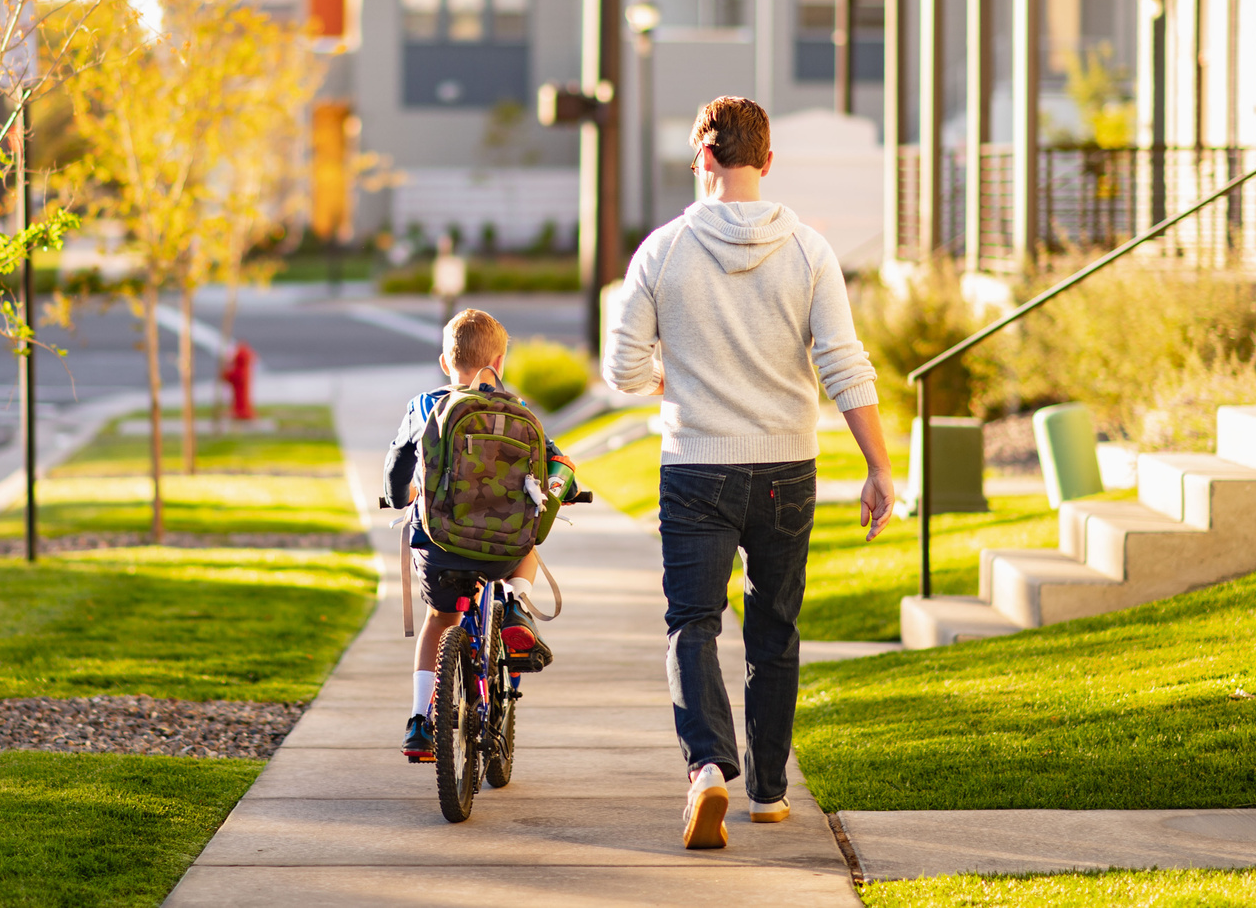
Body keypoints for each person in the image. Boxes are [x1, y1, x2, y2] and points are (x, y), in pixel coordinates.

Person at [602, 96, 896, 851]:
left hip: (696, 465)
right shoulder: (807, 249)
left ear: (703, 158)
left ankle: (707, 767)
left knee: (693, 623)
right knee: (775, 628)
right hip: (787, 467)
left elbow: (620, 368)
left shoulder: (662, 250)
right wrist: (878, 465)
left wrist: (670, 369)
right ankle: (769, 790)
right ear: (768, 161)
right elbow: (841, 360)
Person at [383, 307, 578, 762]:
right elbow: (554, 464)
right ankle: (515, 606)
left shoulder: (424, 406)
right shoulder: (518, 409)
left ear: (445, 363)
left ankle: (419, 722)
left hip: (442, 547)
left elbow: (396, 470)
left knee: (440, 620)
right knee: (528, 542)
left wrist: (401, 497)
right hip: (502, 551)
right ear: (500, 362)